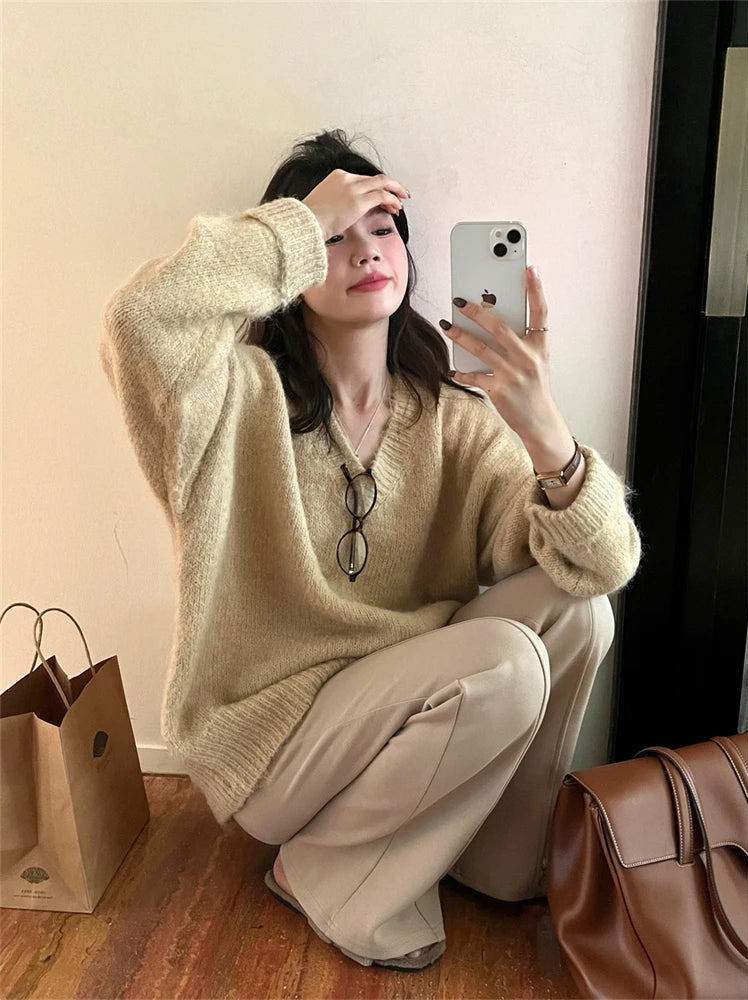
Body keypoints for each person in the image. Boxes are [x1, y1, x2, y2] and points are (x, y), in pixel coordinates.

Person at [100, 128, 642, 972]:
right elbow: (139, 321)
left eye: (382, 228)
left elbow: (601, 566)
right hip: (274, 745)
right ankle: (322, 872)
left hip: (398, 720)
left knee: (580, 612)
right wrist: (296, 224)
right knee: (506, 662)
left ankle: (497, 859)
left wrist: (545, 431)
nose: (364, 251)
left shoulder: (452, 421)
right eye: (334, 235)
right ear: (293, 261)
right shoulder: (233, 402)